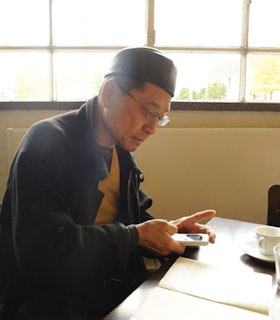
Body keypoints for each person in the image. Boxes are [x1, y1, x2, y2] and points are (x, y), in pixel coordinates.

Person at [0, 47, 216, 319]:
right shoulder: (48, 142)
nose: (152, 128)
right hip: (48, 304)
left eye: (160, 117)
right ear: (109, 93)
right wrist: (137, 235)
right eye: (149, 111)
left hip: (103, 288)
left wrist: (170, 229)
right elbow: (43, 252)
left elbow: (130, 220)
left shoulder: (121, 152)